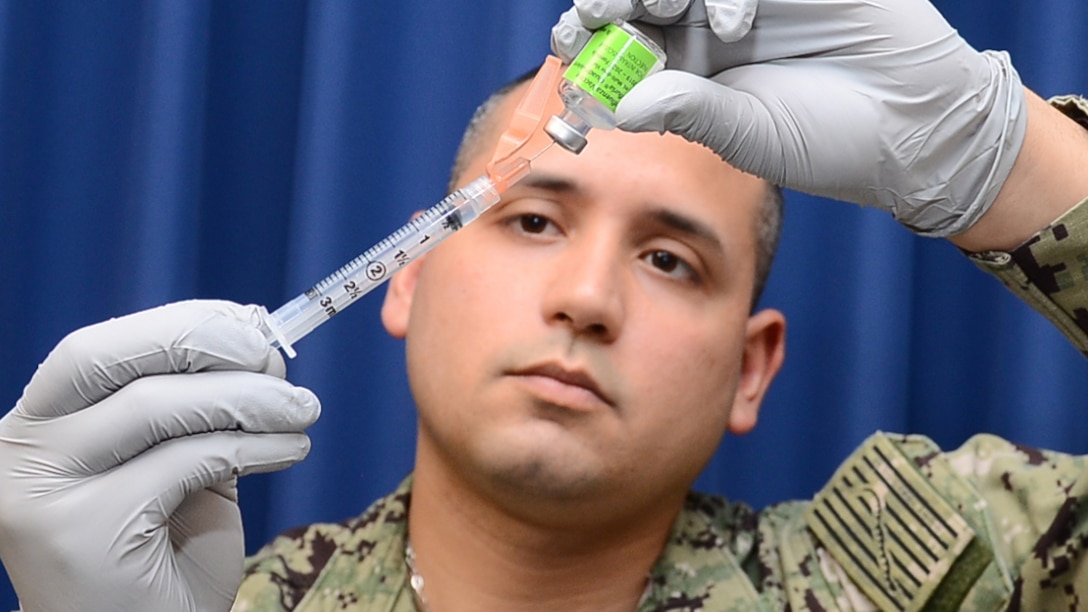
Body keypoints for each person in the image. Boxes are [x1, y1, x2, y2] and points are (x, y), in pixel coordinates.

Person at [1, 0, 1086, 610]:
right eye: (530, 221)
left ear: (751, 366)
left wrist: (1008, 162)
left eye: (670, 260)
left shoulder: (952, 572)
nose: (583, 298)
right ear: (408, 274)